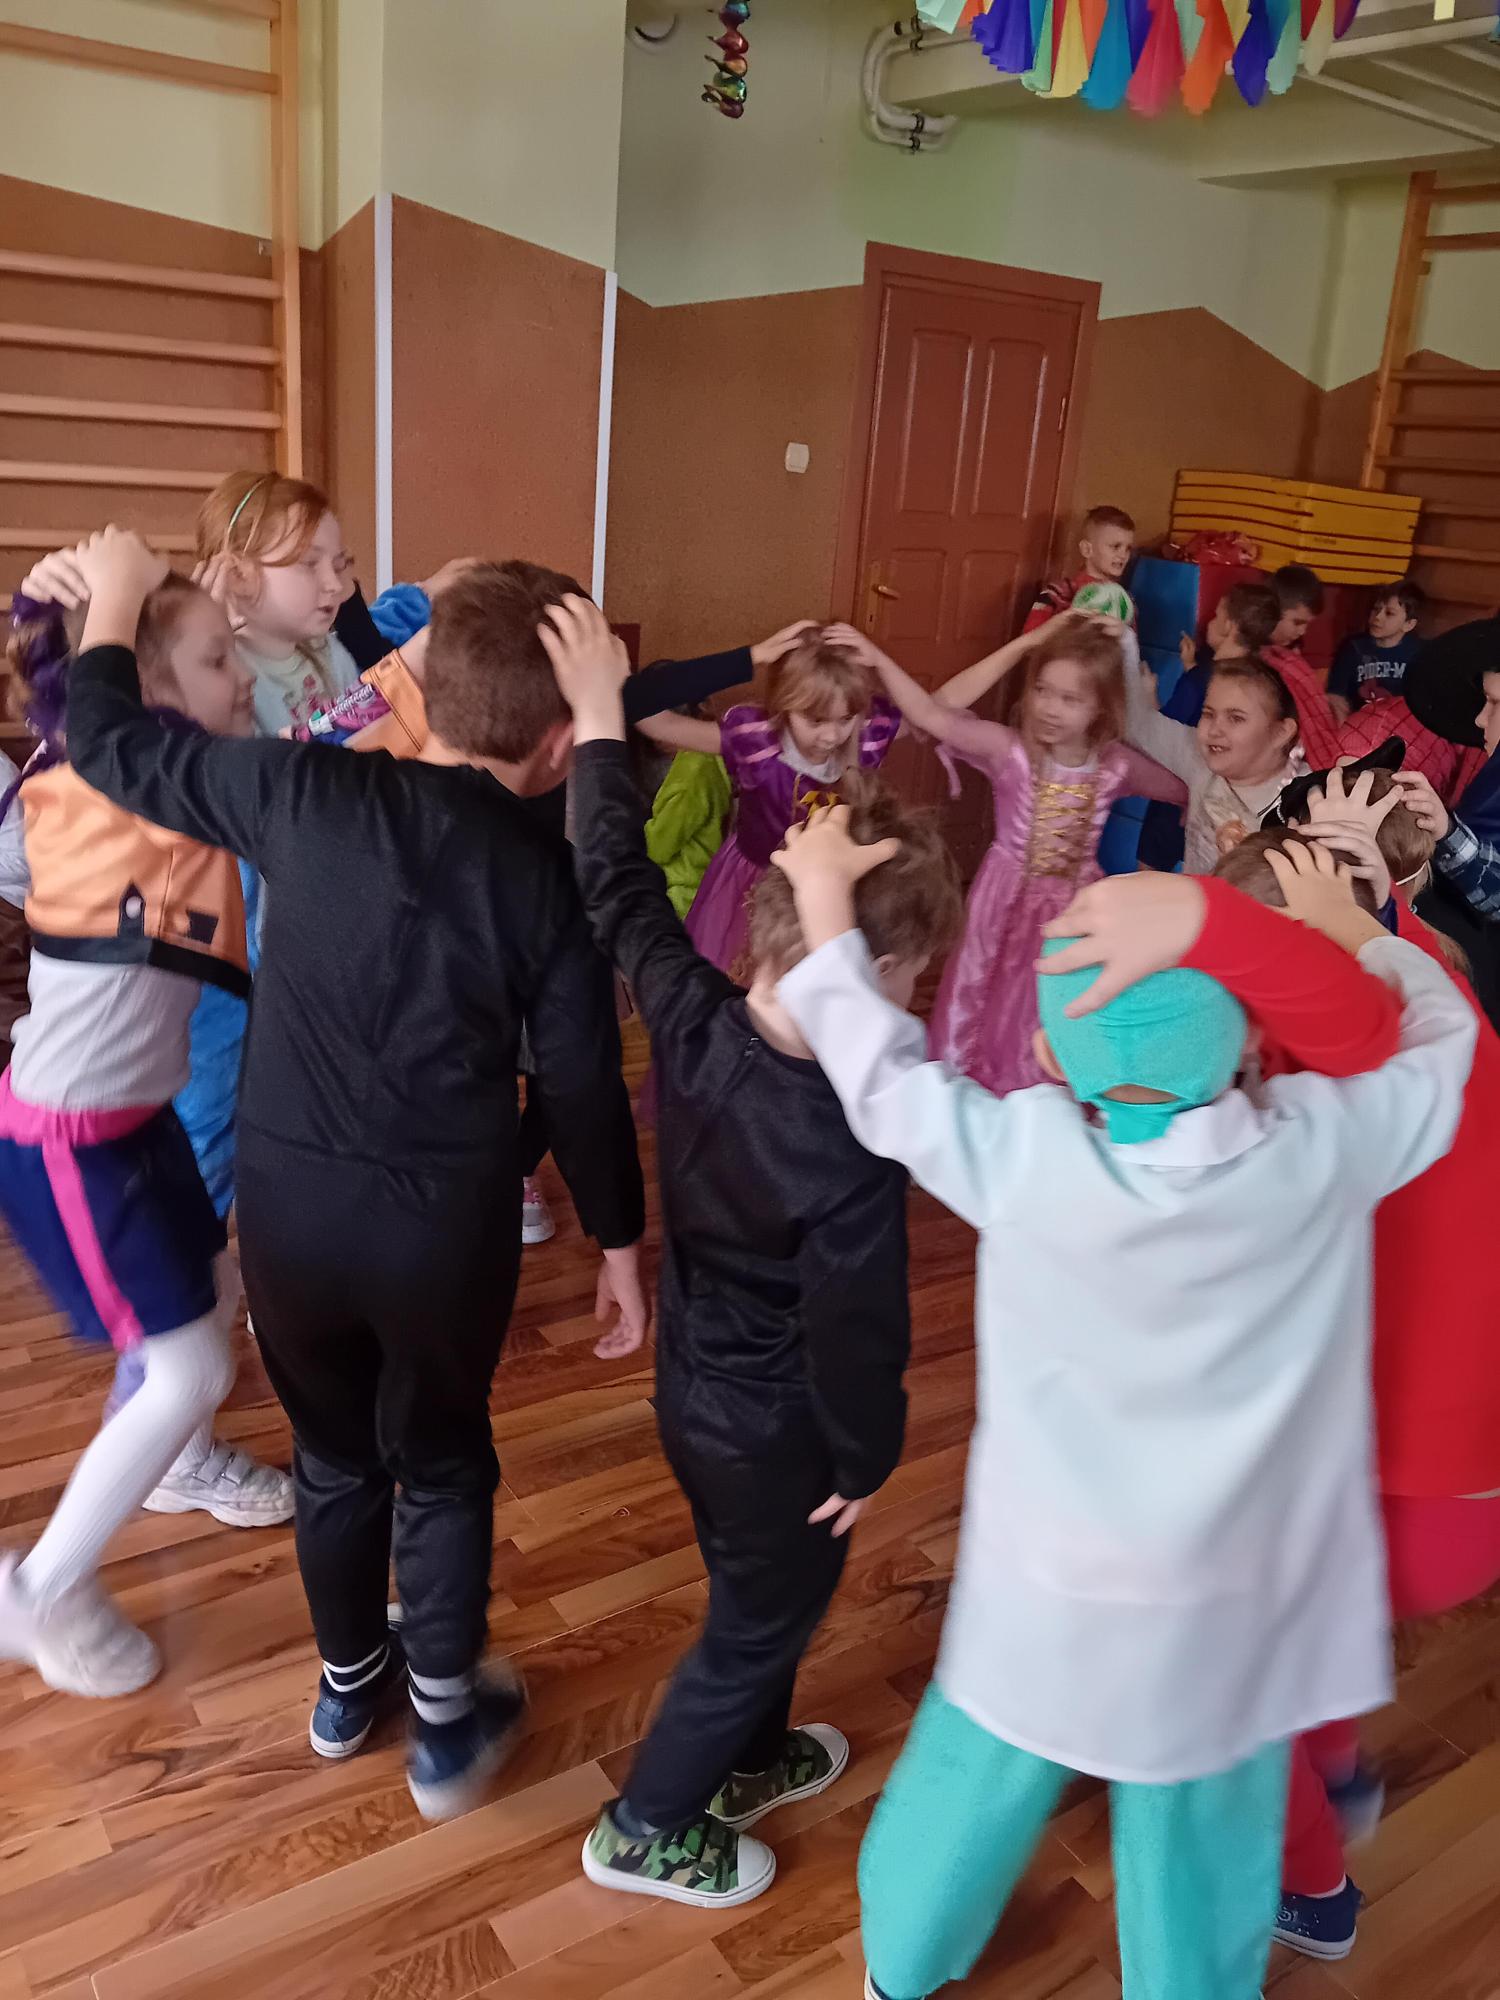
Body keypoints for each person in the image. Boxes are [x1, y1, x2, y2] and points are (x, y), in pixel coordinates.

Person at [770, 809, 1474, 2000]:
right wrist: (1364, 939)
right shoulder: (1323, 1149)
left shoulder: (1020, 1157)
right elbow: (1443, 1050)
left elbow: (879, 1077)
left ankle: (903, 1962)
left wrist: (827, 902)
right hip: (1235, 1601)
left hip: (1047, 1587)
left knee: (971, 1776)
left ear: (1052, 1055)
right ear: (1250, 1038)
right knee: (1204, 1834)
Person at [53, 531, 648, 1821]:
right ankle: (444, 1721)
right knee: (441, 1459)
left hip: (287, 1213)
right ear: (561, 747)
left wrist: (114, 598)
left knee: (331, 1456)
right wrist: (617, 1241)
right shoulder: (545, 877)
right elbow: (584, 1081)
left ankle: (346, 1685)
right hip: (441, 1228)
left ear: (431, 685)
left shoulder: (301, 788)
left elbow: (106, 741)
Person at [541, 594, 962, 1908]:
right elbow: (861, 1327)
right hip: (784, 1427)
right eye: (916, 978)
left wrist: (600, 723)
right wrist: (867, 1454)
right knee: (756, 1617)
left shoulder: (691, 1012)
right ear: (877, 972)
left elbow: (613, 878)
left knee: (752, 1579)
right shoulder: (854, 1141)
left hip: (697, 1393)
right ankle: (647, 1824)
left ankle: (754, 1756)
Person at [1196, 773, 1500, 1959]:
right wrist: (1367, 901)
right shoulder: (1458, 1036)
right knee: (1309, 1629)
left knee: (1235, 1678)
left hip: (1395, 1490)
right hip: (1466, 1490)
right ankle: (1333, 1768)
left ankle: (1313, 1886)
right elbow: (1401, 981)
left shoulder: (1311, 1105)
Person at [286, 606, 817, 1258]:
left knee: (559, 1064)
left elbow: (650, 691)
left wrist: (752, 656)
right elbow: (335, 715)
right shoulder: (442, 737)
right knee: (485, 1064)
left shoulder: (571, 721)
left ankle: (517, 1167)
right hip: (478, 935)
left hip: (552, 924)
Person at [0, 559, 267, 1698]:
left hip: (134, 1122)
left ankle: (161, 1469)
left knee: (214, 1296)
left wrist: (74, 602)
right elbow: (80, 693)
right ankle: (40, 1588)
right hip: (70, 1140)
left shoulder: (151, 771)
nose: (242, 675)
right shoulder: (126, 779)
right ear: (143, 691)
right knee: (190, 1368)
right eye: (217, 659)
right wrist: (103, 596)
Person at [837, 616, 1184, 1097]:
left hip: (1074, 909)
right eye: (1042, 690)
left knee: (1050, 999)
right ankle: (968, 1087)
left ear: (1101, 707)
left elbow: (1183, 789)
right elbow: (931, 716)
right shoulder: (1010, 751)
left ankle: (1040, 1093)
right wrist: (876, 657)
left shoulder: (1116, 766)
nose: (1049, 708)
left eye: (1070, 699)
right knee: (983, 990)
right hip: (1004, 898)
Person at [635, 630, 899, 976]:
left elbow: (935, 713)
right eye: (816, 720)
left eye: (845, 719)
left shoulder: (864, 739)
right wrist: (750, 657)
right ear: (785, 705)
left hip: (831, 890)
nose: (832, 736)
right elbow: (648, 715)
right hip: (751, 887)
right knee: (746, 981)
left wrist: (881, 661)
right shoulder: (755, 742)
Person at [1122, 636, 1303, 872]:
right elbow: (1137, 723)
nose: (1215, 729)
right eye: (1208, 714)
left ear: (1281, 732)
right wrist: (1124, 643)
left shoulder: (1305, 803)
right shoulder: (1199, 759)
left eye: (1235, 718)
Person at [1022, 504, 1135, 632]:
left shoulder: (1125, 601)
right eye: (1115, 546)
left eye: (1128, 548)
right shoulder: (1056, 594)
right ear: (1087, 549)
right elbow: (1030, 637)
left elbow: (1130, 643)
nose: (1123, 555)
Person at [1328, 580, 1425, 721]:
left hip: (1401, 726)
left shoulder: (1419, 654)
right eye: (1375, 609)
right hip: (1358, 724)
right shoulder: (1353, 647)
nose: (1378, 617)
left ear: (1409, 624)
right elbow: (1336, 696)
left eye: (1389, 613)